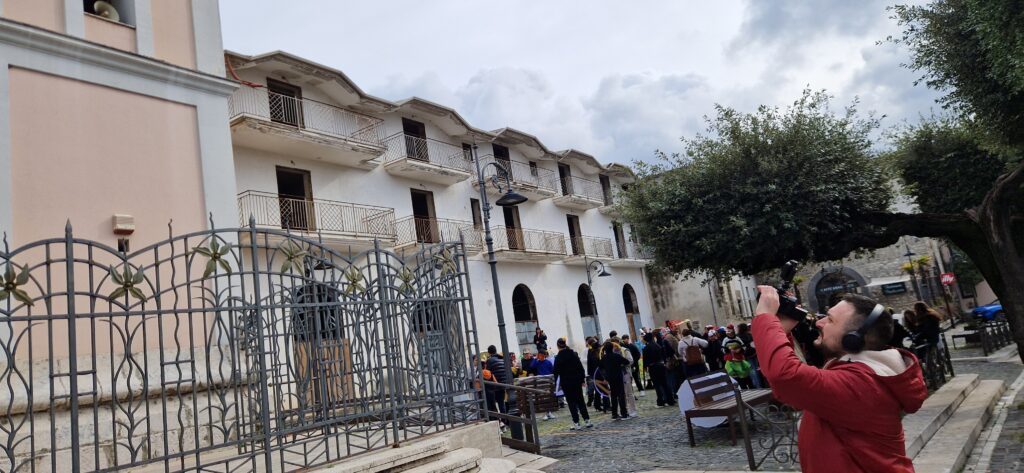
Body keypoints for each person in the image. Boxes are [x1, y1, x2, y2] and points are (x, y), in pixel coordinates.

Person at [752, 287, 927, 473]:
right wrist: (781, 328)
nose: (819, 322)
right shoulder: (865, 375)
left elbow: (786, 376)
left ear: (853, 339)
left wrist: (765, 318)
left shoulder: (861, 384)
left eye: (830, 319)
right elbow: (799, 391)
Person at [552, 338, 593, 430]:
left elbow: (556, 372)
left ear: (558, 346)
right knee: (580, 401)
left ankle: (576, 422)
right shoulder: (573, 354)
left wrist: (557, 385)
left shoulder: (558, 358)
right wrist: (582, 380)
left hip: (566, 383)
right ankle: (587, 420)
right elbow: (580, 368)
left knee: (571, 403)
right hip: (577, 381)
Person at [642, 332, 674, 407]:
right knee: (665, 383)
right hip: (661, 365)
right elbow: (664, 355)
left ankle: (660, 401)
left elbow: (645, 360)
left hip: (653, 367)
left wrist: (645, 367)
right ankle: (670, 400)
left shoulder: (646, 348)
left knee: (657, 385)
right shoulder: (658, 345)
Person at [600, 341, 630, 420]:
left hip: (610, 378)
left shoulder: (604, 358)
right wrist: (620, 365)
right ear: (612, 348)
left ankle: (614, 414)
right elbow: (627, 362)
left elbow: (600, 368)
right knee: (621, 395)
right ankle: (624, 413)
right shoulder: (617, 356)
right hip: (618, 377)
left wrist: (605, 376)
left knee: (613, 396)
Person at [484, 346, 511, 418]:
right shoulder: (502, 358)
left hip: (496, 385)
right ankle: (506, 419)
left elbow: (488, 373)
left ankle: (502, 420)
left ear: (489, 352)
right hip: (504, 383)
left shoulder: (489, 361)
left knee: (496, 403)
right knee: (503, 403)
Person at [585, 337, 607, 412]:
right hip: (599, 373)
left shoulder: (591, 351)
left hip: (594, 373)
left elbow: (589, 363)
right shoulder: (596, 351)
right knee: (604, 388)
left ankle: (597, 405)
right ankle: (606, 406)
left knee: (598, 390)